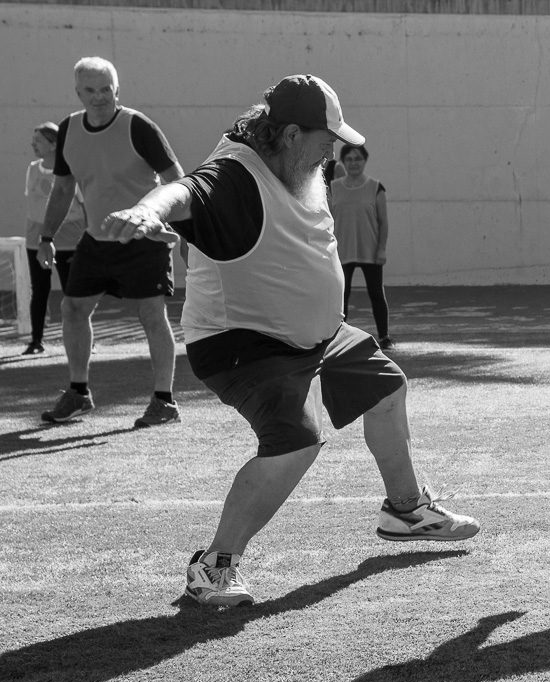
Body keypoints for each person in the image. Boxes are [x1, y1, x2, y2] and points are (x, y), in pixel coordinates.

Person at [102, 74, 480, 608]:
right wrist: (149, 210)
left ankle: (405, 511)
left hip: (317, 334)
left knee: (386, 388)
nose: (338, 148)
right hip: (245, 342)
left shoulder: (303, 163)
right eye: (328, 137)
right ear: (290, 135)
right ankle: (214, 566)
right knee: (296, 441)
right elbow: (185, 189)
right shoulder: (236, 174)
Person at [37, 57, 184, 428]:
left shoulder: (139, 127)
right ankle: (79, 393)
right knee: (72, 309)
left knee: (151, 315)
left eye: (106, 89)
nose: (99, 97)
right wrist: (46, 237)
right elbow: (63, 188)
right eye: (90, 90)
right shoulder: (69, 128)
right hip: (97, 239)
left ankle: (164, 401)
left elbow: (176, 180)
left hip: (143, 237)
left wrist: (173, 230)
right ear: (78, 93)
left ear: (117, 90)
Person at [22, 122, 87, 355]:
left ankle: (81, 338)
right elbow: (34, 205)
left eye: (38, 140)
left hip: (70, 240)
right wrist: (40, 236)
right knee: (39, 290)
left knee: (74, 292)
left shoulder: (71, 170)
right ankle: (36, 340)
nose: (33, 145)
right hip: (37, 241)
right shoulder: (32, 169)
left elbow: (83, 204)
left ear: (53, 144)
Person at [329, 144, 393, 349]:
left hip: (370, 251)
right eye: (349, 159)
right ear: (343, 162)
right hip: (342, 251)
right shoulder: (333, 187)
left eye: (358, 159)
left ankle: (384, 337)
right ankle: (339, 340)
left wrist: (381, 249)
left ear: (365, 161)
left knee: (376, 294)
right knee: (341, 296)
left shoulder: (376, 187)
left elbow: (383, 222)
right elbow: (326, 220)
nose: (354, 163)